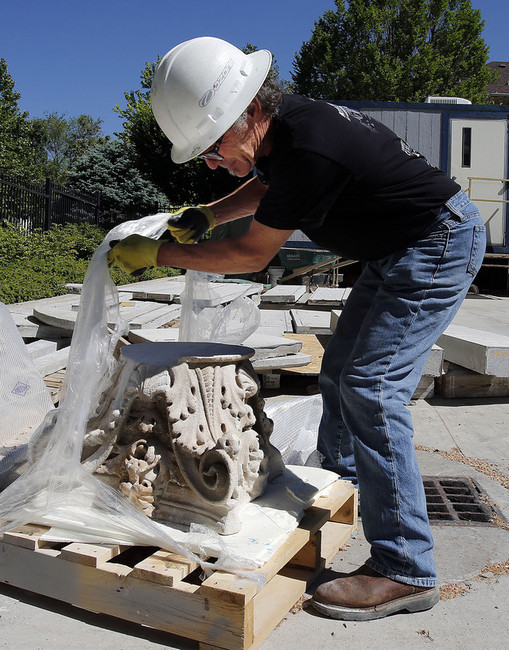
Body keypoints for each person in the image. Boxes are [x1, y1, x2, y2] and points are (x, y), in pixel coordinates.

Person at [108, 36, 486, 621]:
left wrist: (157, 255)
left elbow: (253, 255)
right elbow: (267, 188)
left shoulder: (312, 145)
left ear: (250, 110)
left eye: (213, 145)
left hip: (433, 243)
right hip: (400, 246)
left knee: (371, 388)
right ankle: (348, 483)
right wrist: (209, 214)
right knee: (339, 373)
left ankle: (405, 567)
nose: (210, 161)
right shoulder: (285, 129)